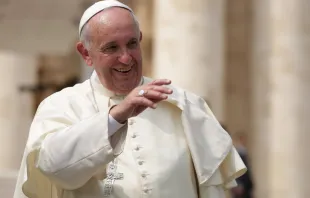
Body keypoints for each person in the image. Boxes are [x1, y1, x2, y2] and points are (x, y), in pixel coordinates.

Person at [13, 0, 246, 197]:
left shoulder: (185, 104)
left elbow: (212, 189)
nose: (126, 58)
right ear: (86, 53)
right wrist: (116, 117)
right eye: (112, 48)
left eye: (132, 44)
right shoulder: (62, 106)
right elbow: (53, 167)